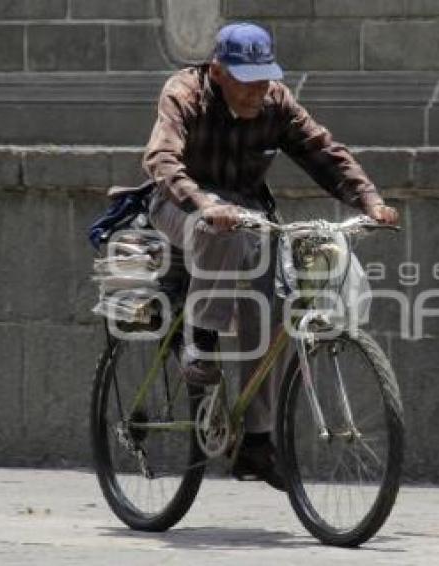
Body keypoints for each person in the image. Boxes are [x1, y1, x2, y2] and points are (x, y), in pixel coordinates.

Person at [142, 22, 398, 490]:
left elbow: (323, 151)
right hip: (181, 205)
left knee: (279, 309)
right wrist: (205, 204)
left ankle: (256, 442)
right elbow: (161, 160)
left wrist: (370, 202)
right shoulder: (184, 92)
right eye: (247, 80)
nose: (258, 90)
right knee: (220, 232)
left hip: (249, 214)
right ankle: (200, 341)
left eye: (265, 77)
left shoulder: (275, 101)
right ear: (218, 72)